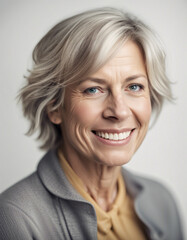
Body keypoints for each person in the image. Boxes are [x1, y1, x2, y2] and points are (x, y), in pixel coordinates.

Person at [0, 7, 184, 240]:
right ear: (54, 106)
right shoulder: (14, 218)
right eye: (93, 89)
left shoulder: (162, 201)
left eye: (134, 86)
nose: (119, 110)